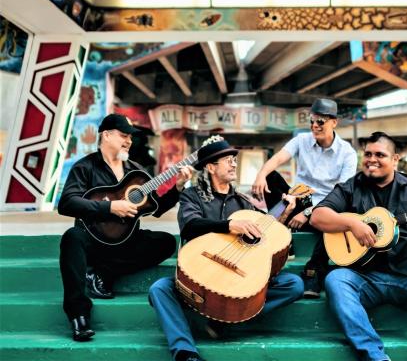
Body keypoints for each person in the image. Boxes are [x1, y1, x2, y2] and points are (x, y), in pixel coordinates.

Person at [148, 135, 304, 361]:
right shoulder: (193, 196)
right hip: (199, 277)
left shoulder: (242, 202)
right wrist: (229, 225)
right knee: (159, 289)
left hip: (236, 281)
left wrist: (284, 213)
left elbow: (265, 235)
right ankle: (185, 351)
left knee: (294, 284)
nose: (234, 163)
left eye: (234, 159)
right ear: (211, 167)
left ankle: (225, 320)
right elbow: (190, 227)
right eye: (228, 160)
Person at [310, 131, 407, 361]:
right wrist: (352, 222)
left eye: (380, 154)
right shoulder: (351, 187)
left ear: (395, 159)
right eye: (368, 154)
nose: (372, 159)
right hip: (364, 276)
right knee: (335, 280)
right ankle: (375, 356)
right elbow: (317, 217)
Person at [57, 113, 194, 342]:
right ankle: (79, 315)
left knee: (166, 242)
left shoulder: (136, 171)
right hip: (93, 240)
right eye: (123, 135)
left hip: (125, 241)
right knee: (71, 237)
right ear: (106, 135)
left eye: (130, 137)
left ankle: (102, 273)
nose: (129, 141)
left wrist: (178, 187)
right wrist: (110, 208)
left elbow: (156, 208)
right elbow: (67, 203)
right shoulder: (86, 167)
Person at [252, 98, 357, 298]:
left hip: (327, 207)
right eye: (312, 121)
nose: (314, 126)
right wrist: (260, 175)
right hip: (298, 199)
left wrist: (309, 213)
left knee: (342, 214)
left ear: (334, 122)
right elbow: (278, 158)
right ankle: (281, 234)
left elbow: (343, 193)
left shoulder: (347, 153)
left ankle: (314, 273)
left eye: (320, 122)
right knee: (271, 176)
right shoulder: (302, 140)